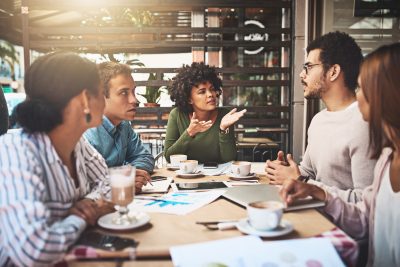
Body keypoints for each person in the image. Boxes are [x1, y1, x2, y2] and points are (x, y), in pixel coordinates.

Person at [280, 42, 400, 267]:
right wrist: (312, 188)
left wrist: (307, 182)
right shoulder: (387, 159)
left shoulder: (361, 127)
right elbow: (365, 219)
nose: (358, 97)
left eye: (363, 88)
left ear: (389, 96)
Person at [0, 52, 114, 266]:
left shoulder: (77, 143)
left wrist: (89, 202)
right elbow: (34, 250)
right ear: (84, 100)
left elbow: (110, 184)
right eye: (101, 93)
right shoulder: (15, 151)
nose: (105, 102)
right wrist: (81, 218)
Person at [265, 31, 376, 203]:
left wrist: (302, 181)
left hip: (343, 227)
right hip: (314, 212)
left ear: (333, 71)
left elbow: (366, 203)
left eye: (308, 67)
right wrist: (286, 171)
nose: (302, 75)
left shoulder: (364, 123)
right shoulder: (319, 120)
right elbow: (308, 172)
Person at [84, 62, 154, 188]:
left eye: (133, 92)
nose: (134, 100)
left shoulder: (124, 125)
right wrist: (122, 179)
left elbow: (145, 157)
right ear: (101, 96)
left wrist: (131, 175)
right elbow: (85, 182)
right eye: (123, 93)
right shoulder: (86, 134)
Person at [164, 62, 246, 163]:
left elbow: (229, 160)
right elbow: (169, 157)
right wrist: (189, 133)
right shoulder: (177, 115)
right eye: (202, 92)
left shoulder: (225, 116)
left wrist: (223, 129)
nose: (210, 94)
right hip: (186, 177)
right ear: (189, 99)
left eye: (212, 89)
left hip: (216, 177)